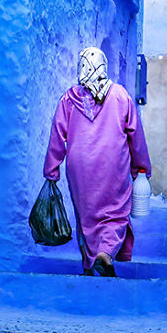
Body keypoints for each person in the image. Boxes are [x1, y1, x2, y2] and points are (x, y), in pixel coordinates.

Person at [42, 47, 152, 277]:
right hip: (113, 167)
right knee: (116, 213)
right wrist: (141, 168)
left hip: (78, 168)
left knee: (87, 216)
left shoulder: (69, 99)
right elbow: (136, 135)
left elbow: (57, 134)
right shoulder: (120, 96)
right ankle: (106, 253)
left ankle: (88, 264)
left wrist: (51, 170)